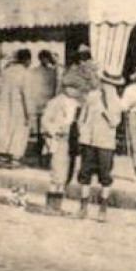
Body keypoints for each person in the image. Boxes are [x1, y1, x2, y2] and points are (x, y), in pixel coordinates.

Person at [74, 69, 124, 221]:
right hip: (89, 141)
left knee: (105, 176)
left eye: (112, 85)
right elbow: (82, 117)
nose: (108, 87)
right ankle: (83, 208)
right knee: (85, 174)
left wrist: (105, 112)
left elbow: (115, 122)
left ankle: (103, 209)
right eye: (106, 84)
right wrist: (82, 131)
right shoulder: (92, 96)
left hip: (105, 143)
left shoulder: (116, 101)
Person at [40, 81, 84, 213]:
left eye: (77, 87)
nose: (74, 90)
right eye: (72, 86)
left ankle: (57, 205)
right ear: (66, 87)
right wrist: (56, 130)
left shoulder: (78, 104)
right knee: (57, 173)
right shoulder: (56, 102)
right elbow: (45, 120)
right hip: (60, 140)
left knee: (67, 174)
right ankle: (50, 205)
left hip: (72, 141)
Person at [0, 50, 32, 166]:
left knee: (4, 128)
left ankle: (2, 154)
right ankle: (15, 156)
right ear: (27, 60)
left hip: (3, 105)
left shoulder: (5, 72)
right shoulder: (25, 73)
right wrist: (28, 113)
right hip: (18, 106)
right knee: (19, 130)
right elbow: (27, 94)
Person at [25, 50, 59, 164]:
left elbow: (55, 89)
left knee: (48, 130)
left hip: (49, 104)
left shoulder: (53, 72)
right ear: (40, 59)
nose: (46, 60)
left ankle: (47, 154)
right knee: (39, 131)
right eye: (44, 58)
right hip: (37, 104)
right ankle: (39, 154)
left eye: (47, 58)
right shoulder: (33, 72)